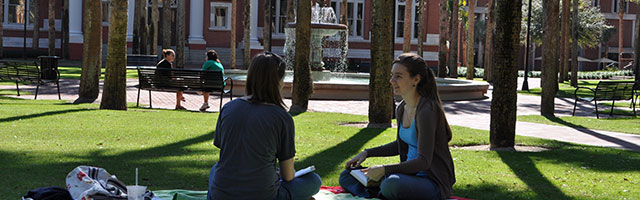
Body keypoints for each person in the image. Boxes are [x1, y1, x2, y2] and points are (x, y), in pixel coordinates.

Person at [339, 53, 456, 200]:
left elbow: (424, 161)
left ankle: (379, 191)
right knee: (347, 175)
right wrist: (367, 153)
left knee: (391, 184)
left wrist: (384, 170)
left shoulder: (427, 110)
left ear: (416, 79)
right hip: (407, 176)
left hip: (432, 182)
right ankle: (380, 192)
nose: (392, 81)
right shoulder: (402, 108)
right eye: (392, 75)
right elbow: (399, 145)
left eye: (399, 76)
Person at [208, 52, 322, 200]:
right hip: (264, 195)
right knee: (314, 181)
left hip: (221, 194)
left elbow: (227, 156)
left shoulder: (229, 108)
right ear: (278, 81)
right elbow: (288, 176)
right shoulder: (281, 117)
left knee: (214, 170)